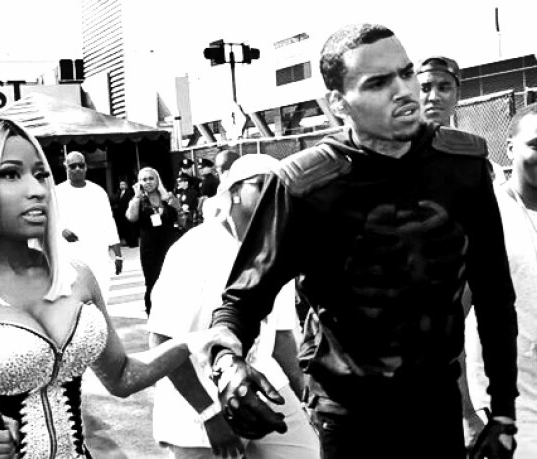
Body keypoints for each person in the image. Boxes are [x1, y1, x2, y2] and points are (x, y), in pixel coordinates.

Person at [208, 23, 518, 459]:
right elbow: (240, 302)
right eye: (377, 83)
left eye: (406, 73)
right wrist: (227, 367)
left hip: (437, 406)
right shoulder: (304, 184)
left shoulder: (463, 165)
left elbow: (494, 294)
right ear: (338, 103)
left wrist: (504, 412)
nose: (404, 91)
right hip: (349, 418)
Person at [0, 115, 238, 459]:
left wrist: (192, 342)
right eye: (10, 174)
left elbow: (122, 376)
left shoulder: (76, 277)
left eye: (40, 174)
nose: (37, 190)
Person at [148, 154, 319, 459]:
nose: (273, 194)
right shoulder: (194, 249)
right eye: (262, 184)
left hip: (265, 385)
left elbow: (281, 337)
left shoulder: (277, 250)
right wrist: (209, 414)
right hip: (197, 401)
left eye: (280, 188)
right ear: (234, 191)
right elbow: (161, 339)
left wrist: (305, 397)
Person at [464, 103, 537, 459]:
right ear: (509, 148)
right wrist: (467, 415)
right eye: (536, 144)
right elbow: (451, 321)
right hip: (511, 410)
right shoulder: (485, 214)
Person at [56, 151, 123, 302]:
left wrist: (118, 254)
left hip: (97, 254)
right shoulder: (57, 192)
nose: (77, 169)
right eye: (73, 166)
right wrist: (61, 230)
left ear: (86, 167)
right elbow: (50, 220)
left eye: (81, 165)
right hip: (71, 255)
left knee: (101, 296)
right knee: (75, 299)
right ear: (66, 168)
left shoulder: (98, 191)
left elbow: (109, 222)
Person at [125, 167, 178, 316]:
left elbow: (179, 215)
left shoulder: (167, 197)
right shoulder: (139, 200)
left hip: (169, 245)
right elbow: (131, 217)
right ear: (139, 183)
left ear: (157, 180)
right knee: (152, 282)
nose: (148, 182)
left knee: (173, 281)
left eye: (151, 178)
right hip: (150, 249)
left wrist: (173, 203)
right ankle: (153, 315)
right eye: (144, 179)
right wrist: (136, 197)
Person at [416, 56, 460, 127]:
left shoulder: (469, 135)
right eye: (425, 89)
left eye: (443, 88)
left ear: (457, 96)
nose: (433, 97)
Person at [113, 179, 138, 247]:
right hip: (121, 213)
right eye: (120, 184)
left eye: (123, 184)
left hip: (128, 212)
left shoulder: (129, 192)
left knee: (130, 228)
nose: (121, 186)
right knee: (125, 228)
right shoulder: (119, 193)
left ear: (126, 185)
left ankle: (133, 243)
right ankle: (127, 241)